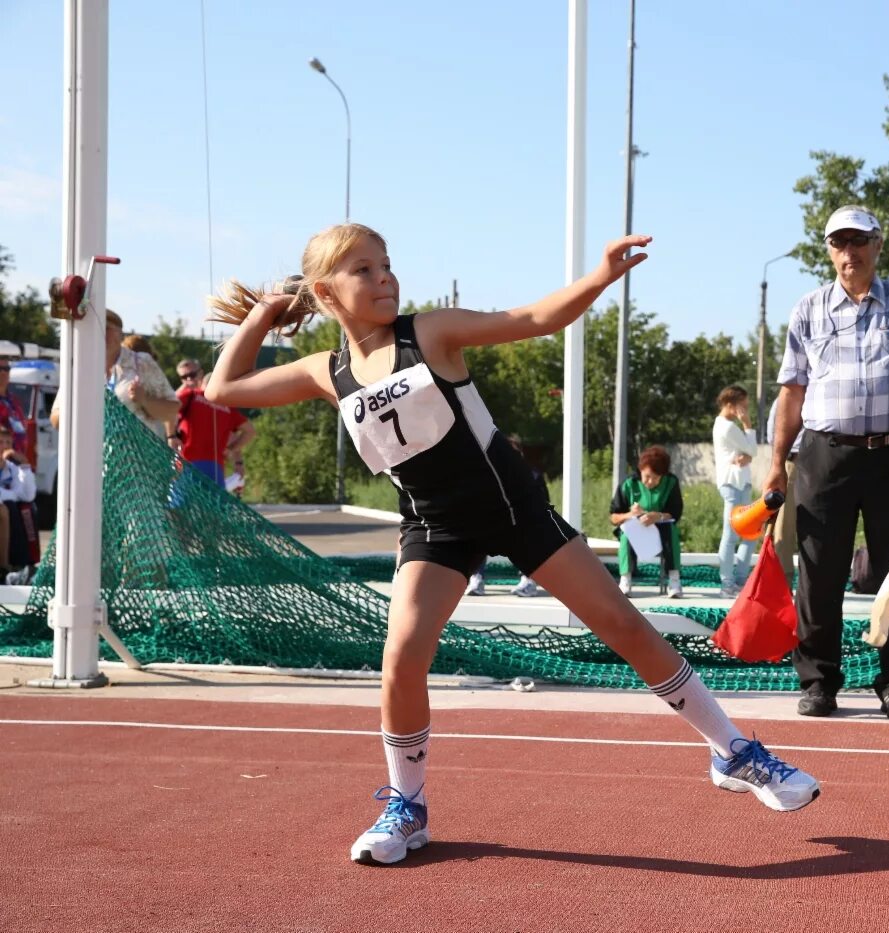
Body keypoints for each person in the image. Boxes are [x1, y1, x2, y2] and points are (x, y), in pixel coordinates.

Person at [203, 223, 818, 866]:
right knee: (402, 658)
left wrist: (600, 276)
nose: (384, 277)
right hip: (435, 530)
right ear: (327, 293)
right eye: (364, 270)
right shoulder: (326, 373)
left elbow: (534, 318)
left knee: (621, 624)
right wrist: (270, 312)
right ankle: (407, 809)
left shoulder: (430, 333)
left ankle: (733, 753)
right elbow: (223, 388)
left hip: (514, 511)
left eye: (387, 264)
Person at [762, 205, 889, 721]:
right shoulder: (807, 309)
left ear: (878, 244)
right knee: (818, 575)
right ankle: (819, 682)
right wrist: (777, 462)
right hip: (824, 455)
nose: (849, 253)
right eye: (839, 243)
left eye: (859, 241)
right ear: (828, 251)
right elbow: (792, 390)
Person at [51, 310, 180, 449]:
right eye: (96, 329)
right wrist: (76, 410)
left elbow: (172, 411)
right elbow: (55, 418)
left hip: (138, 463)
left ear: (120, 334)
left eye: (108, 328)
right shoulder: (80, 367)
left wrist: (145, 400)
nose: (102, 335)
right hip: (93, 462)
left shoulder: (141, 363)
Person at [465, 435, 545, 597]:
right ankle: (476, 578)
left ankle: (528, 580)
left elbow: (542, 503)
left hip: (521, 522)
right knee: (477, 530)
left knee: (530, 533)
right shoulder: (487, 474)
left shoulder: (533, 475)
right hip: (494, 522)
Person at [609, 445, 684, 598]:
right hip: (635, 531)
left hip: (661, 530)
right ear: (641, 469)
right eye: (647, 476)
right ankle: (625, 580)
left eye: (656, 479)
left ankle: (674, 581)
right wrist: (630, 514)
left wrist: (659, 516)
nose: (650, 482)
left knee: (672, 531)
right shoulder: (628, 484)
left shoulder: (671, 483)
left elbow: (675, 513)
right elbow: (613, 517)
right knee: (626, 534)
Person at [174, 358, 256, 489]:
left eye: (192, 375)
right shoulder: (227, 408)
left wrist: (171, 437)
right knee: (213, 505)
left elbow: (168, 407)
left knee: (178, 506)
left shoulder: (191, 395)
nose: (189, 379)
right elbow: (250, 431)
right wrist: (231, 451)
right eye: (184, 377)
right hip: (216, 466)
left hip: (188, 460)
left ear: (201, 375)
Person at [712, 385, 756, 597]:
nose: (746, 410)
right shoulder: (728, 427)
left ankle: (737, 580)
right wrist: (747, 425)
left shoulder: (725, 425)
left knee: (749, 534)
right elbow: (753, 449)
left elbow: (748, 453)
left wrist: (746, 455)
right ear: (731, 404)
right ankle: (728, 583)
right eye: (743, 405)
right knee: (731, 536)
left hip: (740, 482)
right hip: (732, 483)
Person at [766, 398, 803, 587]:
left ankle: (813, 588)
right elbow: (773, 436)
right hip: (792, 463)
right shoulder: (785, 399)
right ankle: (783, 586)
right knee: (784, 528)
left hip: (822, 465)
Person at [0, 423, 39, 585]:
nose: (5, 447)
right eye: (1, 442)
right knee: (8, 507)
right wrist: (14, 495)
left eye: (8, 443)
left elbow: (28, 495)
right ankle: (5, 568)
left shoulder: (11, 468)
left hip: (7, 505)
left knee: (29, 509)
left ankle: (24, 564)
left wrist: (24, 466)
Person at [0, 358, 30, 461]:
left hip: (18, 461)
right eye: (0, 369)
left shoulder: (14, 401)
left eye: (6, 369)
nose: (3, 372)